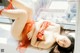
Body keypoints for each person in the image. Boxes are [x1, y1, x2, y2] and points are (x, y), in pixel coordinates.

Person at [0, 0, 75, 52]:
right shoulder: (57, 27)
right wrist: (35, 30)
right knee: (30, 10)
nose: (61, 42)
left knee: (23, 14)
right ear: (66, 35)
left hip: (20, 34)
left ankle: (1, 12)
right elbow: (42, 20)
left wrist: (36, 28)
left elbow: (33, 43)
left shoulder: (49, 43)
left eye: (63, 45)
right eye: (64, 41)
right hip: (29, 24)